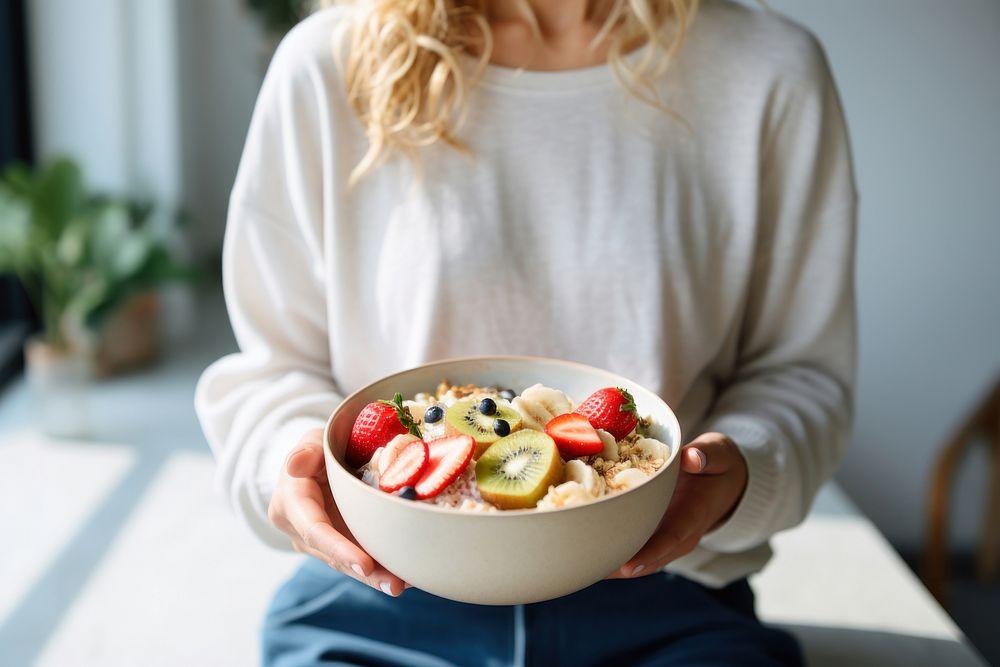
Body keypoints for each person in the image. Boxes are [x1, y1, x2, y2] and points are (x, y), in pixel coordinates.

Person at [196, 0, 856, 664]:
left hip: (666, 595)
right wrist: (293, 463)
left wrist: (737, 471)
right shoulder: (328, 63)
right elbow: (275, 365)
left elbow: (801, 373)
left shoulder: (766, 70)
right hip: (385, 595)